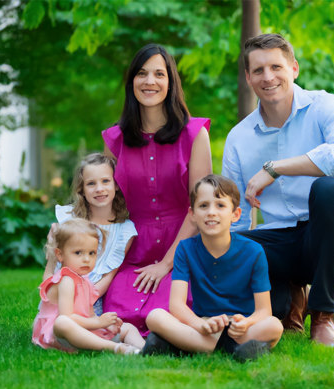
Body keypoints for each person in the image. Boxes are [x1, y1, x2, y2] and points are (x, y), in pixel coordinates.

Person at [222, 33, 334, 347]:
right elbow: (235, 215)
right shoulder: (238, 138)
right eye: (258, 70)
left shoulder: (325, 105)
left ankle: (323, 314)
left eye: (276, 67)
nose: (268, 77)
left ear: (294, 69)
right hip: (280, 243)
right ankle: (287, 304)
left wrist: (275, 168)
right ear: (248, 77)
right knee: (222, 243)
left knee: (329, 190)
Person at [101, 43, 212, 335]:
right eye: (142, 73)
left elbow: (201, 207)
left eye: (159, 74)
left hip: (184, 247)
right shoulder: (115, 139)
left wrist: (165, 264)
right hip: (133, 252)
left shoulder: (194, 134)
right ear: (131, 83)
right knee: (119, 313)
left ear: (171, 82)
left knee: (169, 309)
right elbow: (106, 205)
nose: (150, 81)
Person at [143, 175, 283, 361]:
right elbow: (176, 305)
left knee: (274, 326)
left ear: (235, 214)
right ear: (192, 214)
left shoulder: (254, 251)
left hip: (238, 327)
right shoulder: (185, 249)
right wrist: (200, 326)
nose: (211, 212)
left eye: (220, 205)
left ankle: (185, 345)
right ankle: (237, 349)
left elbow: (264, 311)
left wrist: (246, 322)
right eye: (203, 206)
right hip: (203, 324)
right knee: (155, 316)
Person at [32, 218, 145, 354]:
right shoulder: (66, 280)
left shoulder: (85, 280)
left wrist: (106, 324)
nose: (86, 259)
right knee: (62, 322)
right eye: (78, 253)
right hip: (61, 334)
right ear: (60, 255)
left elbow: (89, 315)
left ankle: (146, 349)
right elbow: (68, 317)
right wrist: (99, 323)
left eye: (91, 253)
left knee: (128, 327)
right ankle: (115, 348)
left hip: (83, 329)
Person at [44, 153, 137, 316]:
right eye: (91, 183)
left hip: (91, 301)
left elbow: (108, 278)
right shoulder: (69, 219)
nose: (99, 189)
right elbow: (52, 268)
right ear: (82, 189)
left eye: (106, 181)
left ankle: (122, 342)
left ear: (116, 184)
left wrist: (84, 302)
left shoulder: (124, 231)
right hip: (59, 295)